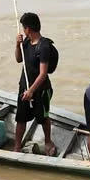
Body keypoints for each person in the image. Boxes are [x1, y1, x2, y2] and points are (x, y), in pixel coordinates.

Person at [14, 12, 56, 155]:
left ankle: (48, 141)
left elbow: (43, 74)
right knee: (21, 118)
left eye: (23, 28)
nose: (23, 31)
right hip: (24, 86)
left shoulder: (43, 46)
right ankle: (17, 146)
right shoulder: (26, 42)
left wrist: (31, 90)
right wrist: (17, 44)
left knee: (43, 118)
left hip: (40, 89)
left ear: (28, 29)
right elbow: (19, 60)